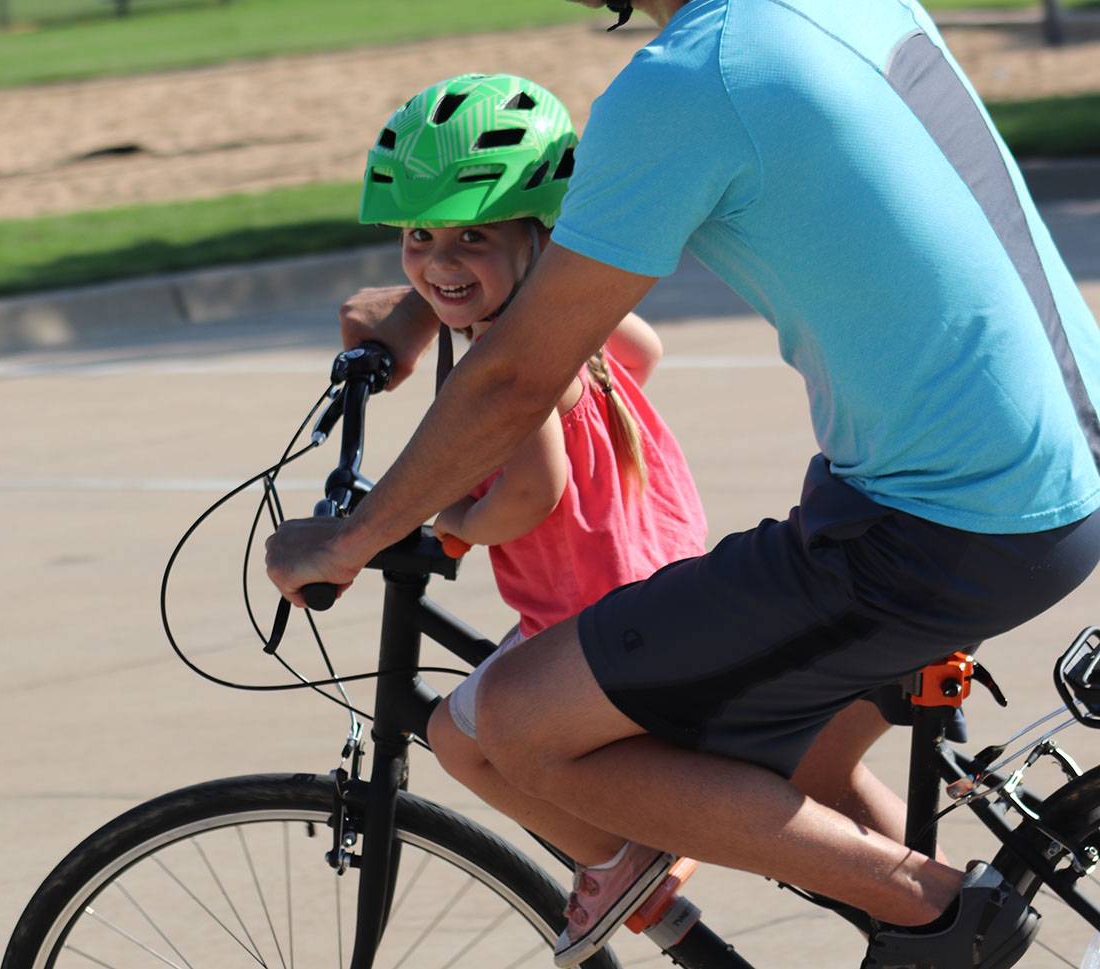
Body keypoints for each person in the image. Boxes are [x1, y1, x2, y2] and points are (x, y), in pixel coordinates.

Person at [268, 2, 1100, 966]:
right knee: (800, 761)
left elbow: (515, 377)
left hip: (945, 520)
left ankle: (943, 911)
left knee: (519, 724)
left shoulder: (691, 78)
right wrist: (426, 304)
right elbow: (584, 258)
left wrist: (348, 536)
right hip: (1054, 458)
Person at [359, 72, 710, 963]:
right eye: (420, 236)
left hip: (588, 612)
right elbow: (646, 348)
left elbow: (533, 490)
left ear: (536, 234)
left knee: (454, 736)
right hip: (660, 576)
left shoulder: (510, 363)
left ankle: (618, 851)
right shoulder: (567, 325)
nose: (440, 262)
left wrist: (454, 516)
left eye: (474, 236)